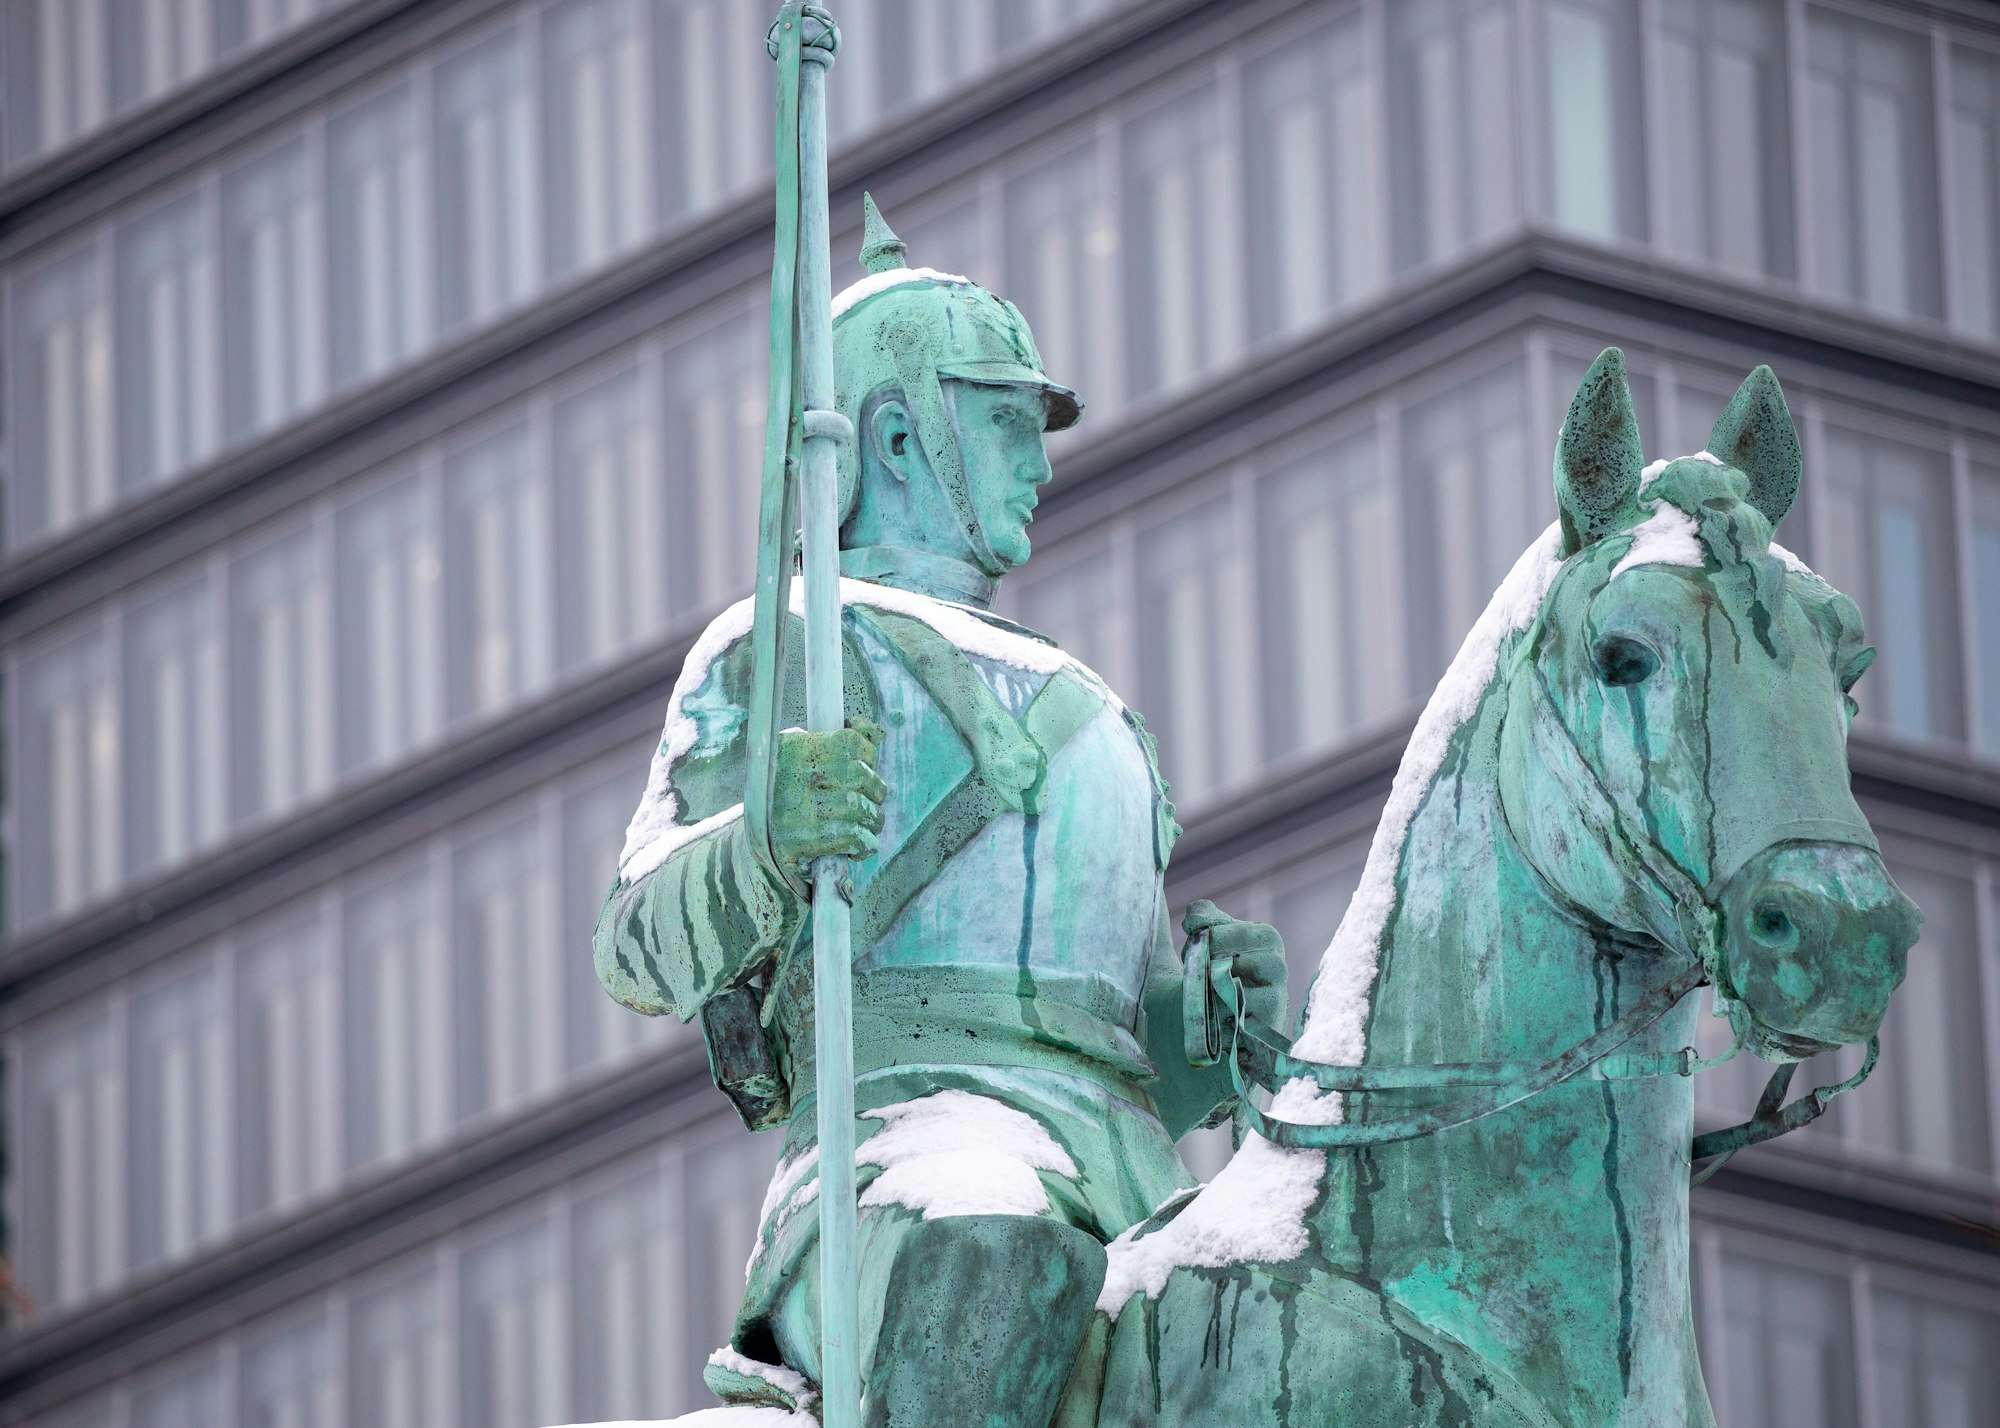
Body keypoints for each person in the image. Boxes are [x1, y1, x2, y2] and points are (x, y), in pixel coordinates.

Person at [593, 198, 1286, 1427]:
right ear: (901, 440)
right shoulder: (786, 640)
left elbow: (1123, 1037)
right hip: (902, 1167)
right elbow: (633, 947)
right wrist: (765, 844)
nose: (1043, 461)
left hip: (1125, 1176)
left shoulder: (1102, 713)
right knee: (995, 1243)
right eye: (1009, 423)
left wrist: (1210, 1034)